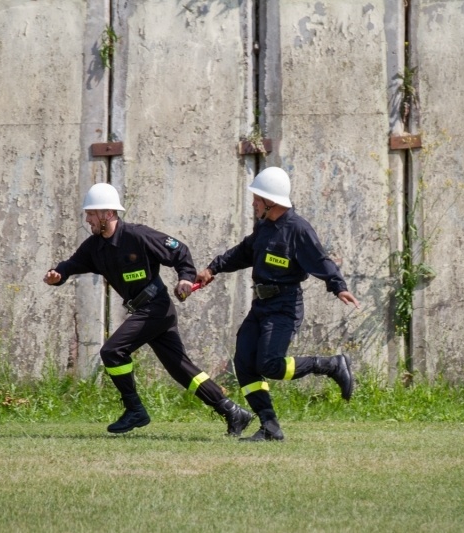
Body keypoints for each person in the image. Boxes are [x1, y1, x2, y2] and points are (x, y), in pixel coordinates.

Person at [44, 182, 253, 436]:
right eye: (87, 214)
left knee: (112, 351)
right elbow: (72, 264)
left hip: (156, 308)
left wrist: (185, 278)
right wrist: (59, 274)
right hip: (145, 311)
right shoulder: (95, 247)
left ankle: (135, 410)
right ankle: (233, 412)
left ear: (108, 214)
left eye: (91, 213)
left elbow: (179, 251)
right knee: (182, 370)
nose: (87, 219)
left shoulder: (138, 236)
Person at [195, 167, 360, 442]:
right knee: (245, 363)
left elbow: (321, 261)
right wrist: (213, 268)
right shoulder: (264, 227)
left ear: (271, 202)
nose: (253, 203)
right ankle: (269, 427)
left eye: (257, 199)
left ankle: (330, 365)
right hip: (260, 306)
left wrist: (338, 287)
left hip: (285, 306)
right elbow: (244, 252)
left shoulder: (298, 230)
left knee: (270, 364)